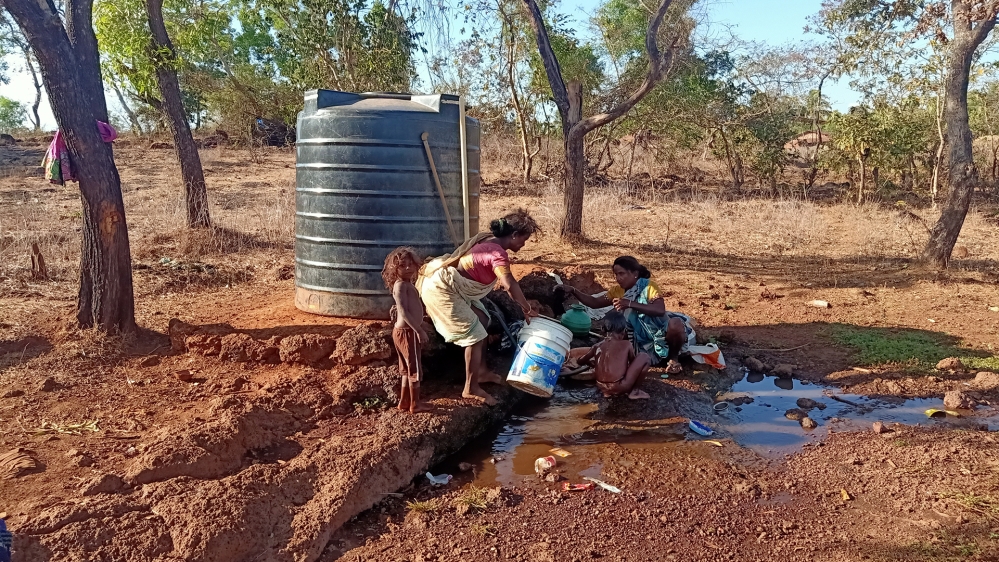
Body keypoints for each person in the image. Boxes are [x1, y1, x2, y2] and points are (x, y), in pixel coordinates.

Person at [418, 209, 541, 405]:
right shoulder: (497, 253)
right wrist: (526, 309)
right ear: (514, 235)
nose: (523, 244)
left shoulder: (488, 239)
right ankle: (470, 387)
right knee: (475, 336)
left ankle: (481, 371)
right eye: (523, 240)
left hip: (453, 287)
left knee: (483, 321)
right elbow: (509, 284)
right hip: (442, 289)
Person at [566, 256, 695, 374]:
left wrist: (629, 304)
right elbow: (594, 303)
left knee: (676, 323)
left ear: (635, 274)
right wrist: (573, 290)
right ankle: (629, 358)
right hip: (638, 343)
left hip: (662, 335)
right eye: (616, 274)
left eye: (621, 273)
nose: (618, 278)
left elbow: (659, 309)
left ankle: (673, 360)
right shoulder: (617, 291)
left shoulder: (648, 287)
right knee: (619, 326)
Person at [383, 247, 431, 414]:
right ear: (394, 268)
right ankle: (415, 404)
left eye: (411, 265)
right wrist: (418, 330)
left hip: (405, 332)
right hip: (407, 333)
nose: (409, 268)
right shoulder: (400, 286)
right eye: (403, 266)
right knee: (414, 369)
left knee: (406, 369)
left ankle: (404, 401)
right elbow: (402, 311)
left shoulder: (406, 284)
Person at [576, 311, 650, 399]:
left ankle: (608, 394)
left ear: (603, 329)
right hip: (619, 386)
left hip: (601, 386)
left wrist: (591, 363)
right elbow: (633, 364)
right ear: (623, 330)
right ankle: (635, 391)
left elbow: (580, 361)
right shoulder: (626, 344)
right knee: (644, 357)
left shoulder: (597, 346)